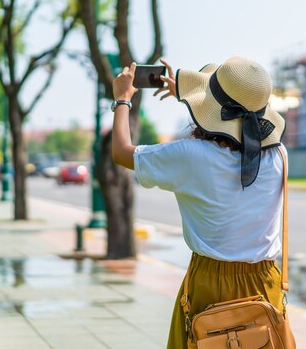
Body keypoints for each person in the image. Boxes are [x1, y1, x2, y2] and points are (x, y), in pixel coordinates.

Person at [111, 56, 287, 349]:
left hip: (210, 282)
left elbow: (121, 151)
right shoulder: (279, 157)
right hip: (265, 282)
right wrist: (187, 93)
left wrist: (122, 100)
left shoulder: (190, 156)